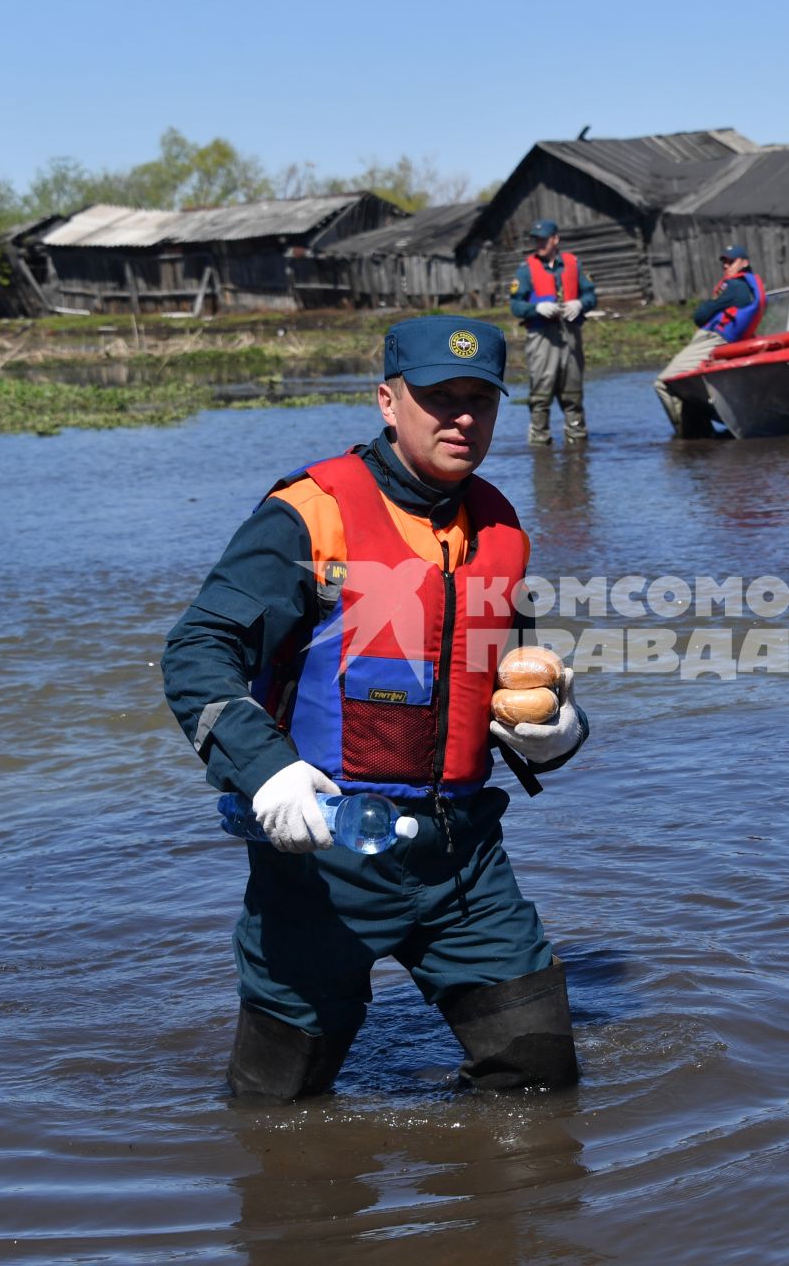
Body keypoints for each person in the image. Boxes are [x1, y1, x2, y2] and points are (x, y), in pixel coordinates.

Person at [162, 315, 591, 1102]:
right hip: (323, 859)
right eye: (438, 397)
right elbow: (196, 654)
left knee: (539, 1080)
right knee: (276, 1114)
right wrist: (268, 774)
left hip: (463, 860)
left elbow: (516, 678)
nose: (462, 417)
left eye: (481, 399)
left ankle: (487, 1223)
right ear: (388, 401)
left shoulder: (499, 528)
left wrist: (558, 732)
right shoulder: (309, 513)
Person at [653, 244, 765, 436]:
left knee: (663, 382)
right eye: (724, 261)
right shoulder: (749, 287)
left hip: (713, 339)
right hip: (725, 340)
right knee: (688, 382)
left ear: (744, 263)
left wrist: (706, 309)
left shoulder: (734, 287)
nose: (726, 265)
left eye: (731, 261)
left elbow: (701, 315)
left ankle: (686, 437)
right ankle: (703, 430)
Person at [506, 219, 597, 447]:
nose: (539, 244)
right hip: (541, 335)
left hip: (570, 332)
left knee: (573, 392)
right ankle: (539, 444)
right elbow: (515, 305)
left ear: (555, 239)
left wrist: (580, 304)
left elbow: (591, 296)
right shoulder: (526, 269)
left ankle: (578, 444)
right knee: (540, 394)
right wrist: (536, 308)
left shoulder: (573, 264)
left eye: (543, 239)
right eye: (536, 240)